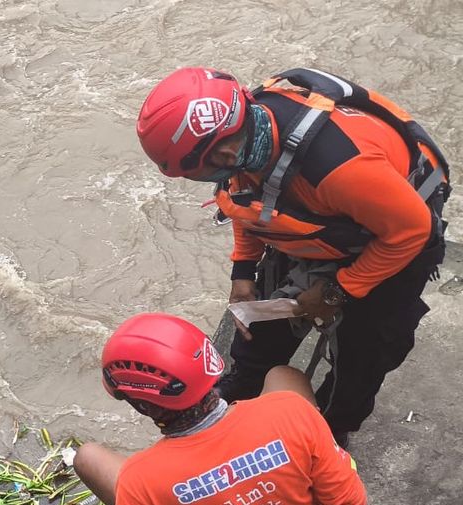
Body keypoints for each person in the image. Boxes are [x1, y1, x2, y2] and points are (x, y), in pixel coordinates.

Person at [136, 67, 450, 448]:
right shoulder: (247, 136)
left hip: (390, 233)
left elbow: (411, 232)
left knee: (364, 350)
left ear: (224, 152)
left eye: (196, 174)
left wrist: (336, 291)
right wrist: (243, 272)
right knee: (261, 323)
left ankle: (334, 425)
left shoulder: (339, 169)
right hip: (324, 222)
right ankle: (244, 388)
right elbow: (242, 200)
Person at [73, 313, 366, 505]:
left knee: (86, 456)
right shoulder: (292, 411)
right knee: (284, 374)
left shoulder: (141, 479)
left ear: (142, 406)